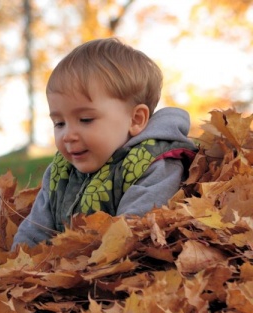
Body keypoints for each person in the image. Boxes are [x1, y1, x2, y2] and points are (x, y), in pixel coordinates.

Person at [12, 38, 198, 249]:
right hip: (71, 269)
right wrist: (18, 264)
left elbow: (134, 232)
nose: (67, 135)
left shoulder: (154, 164)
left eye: (85, 120)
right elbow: (35, 230)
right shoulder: (60, 172)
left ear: (135, 119)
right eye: (59, 123)